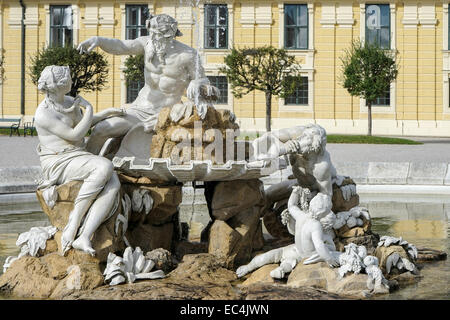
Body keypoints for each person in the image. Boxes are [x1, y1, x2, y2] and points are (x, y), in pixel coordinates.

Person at [77, 13, 219, 155]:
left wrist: (196, 82)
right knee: (101, 130)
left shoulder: (188, 55)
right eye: (151, 33)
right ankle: (84, 165)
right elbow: (121, 46)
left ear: (169, 35)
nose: (153, 38)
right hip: (139, 110)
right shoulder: (147, 44)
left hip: (166, 113)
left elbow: (204, 81)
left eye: (156, 34)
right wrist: (99, 40)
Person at [34, 65, 123, 256]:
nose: (71, 81)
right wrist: (89, 107)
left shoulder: (67, 101)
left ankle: (84, 236)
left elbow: (84, 122)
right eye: (67, 79)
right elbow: (75, 134)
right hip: (58, 161)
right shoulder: (43, 113)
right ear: (57, 85)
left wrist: (107, 113)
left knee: (113, 181)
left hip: (77, 155)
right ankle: (73, 225)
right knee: (105, 166)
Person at [236, 188, 341, 279]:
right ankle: (281, 269)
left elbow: (291, 205)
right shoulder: (315, 224)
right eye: (328, 210)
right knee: (294, 260)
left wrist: (295, 192)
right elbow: (319, 245)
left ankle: (248, 267)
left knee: (272, 255)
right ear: (322, 213)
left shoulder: (301, 215)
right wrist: (329, 258)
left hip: (294, 249)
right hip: (306, 255)